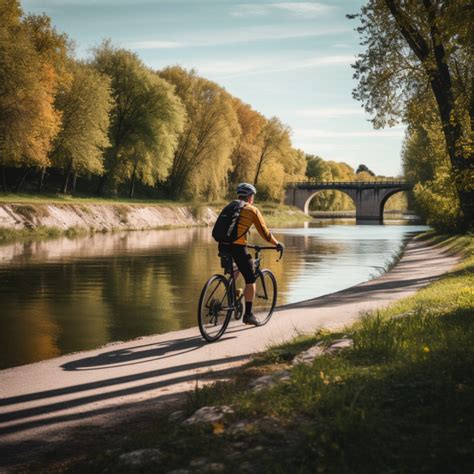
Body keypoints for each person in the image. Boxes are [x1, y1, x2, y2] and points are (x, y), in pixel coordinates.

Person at [218, 183, 284, 325]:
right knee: (250, 279)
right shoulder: (252, 210)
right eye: (252, 196)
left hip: (222, 245)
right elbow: (265, 233)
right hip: (237, 248)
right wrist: (277, 244)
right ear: (250, 197)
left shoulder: (230, 206)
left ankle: (231, 293)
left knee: (235, 269)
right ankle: (248, 315)